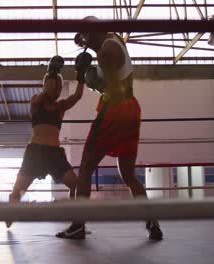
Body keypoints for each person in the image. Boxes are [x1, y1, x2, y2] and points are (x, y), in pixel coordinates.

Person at [56, 16, 163, 240]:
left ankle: (78, 225)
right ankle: (152, 222)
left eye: (84, 38)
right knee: (128, 174)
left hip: (115, 112)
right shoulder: (115, 39)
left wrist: (93, 82)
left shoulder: (105, 54)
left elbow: (114, 94)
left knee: (85, 167)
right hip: (132, 110)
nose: (85, 44)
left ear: (92, 33)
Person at [6, 55, 91, 228]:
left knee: (76, 184)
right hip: (35, 153)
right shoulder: (36, 101)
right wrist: (52, 73)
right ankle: (10, 214)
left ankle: (76, 220)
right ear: (46, 85)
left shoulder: (60, 107)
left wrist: (81, 75)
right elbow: (44, 93)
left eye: (59, 86)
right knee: (17, 192)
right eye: (54, 85)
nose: (57, 89)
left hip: (54, 155)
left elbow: (78, 96)